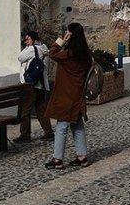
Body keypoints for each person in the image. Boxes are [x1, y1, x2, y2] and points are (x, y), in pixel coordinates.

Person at [44, 22, 92, 169]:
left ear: (71, 35)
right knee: (77, 126)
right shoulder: (85, 56)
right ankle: (82, 156)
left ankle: (57, 159)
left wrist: (62, 40)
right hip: (77, 95)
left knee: (61, 127)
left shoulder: (69, 55)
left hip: (66, 96)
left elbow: (52, 53)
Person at [14, 31, 53, 143]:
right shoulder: (44, 49)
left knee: (25, 110)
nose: (26, 42)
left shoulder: (31, 49)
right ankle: (49, 132)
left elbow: (20, 58)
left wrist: (27, 48)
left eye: (27, 39)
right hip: (42, 84)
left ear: (33, 39)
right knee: (41, 109)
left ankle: (25, 135)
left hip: (31, 84)